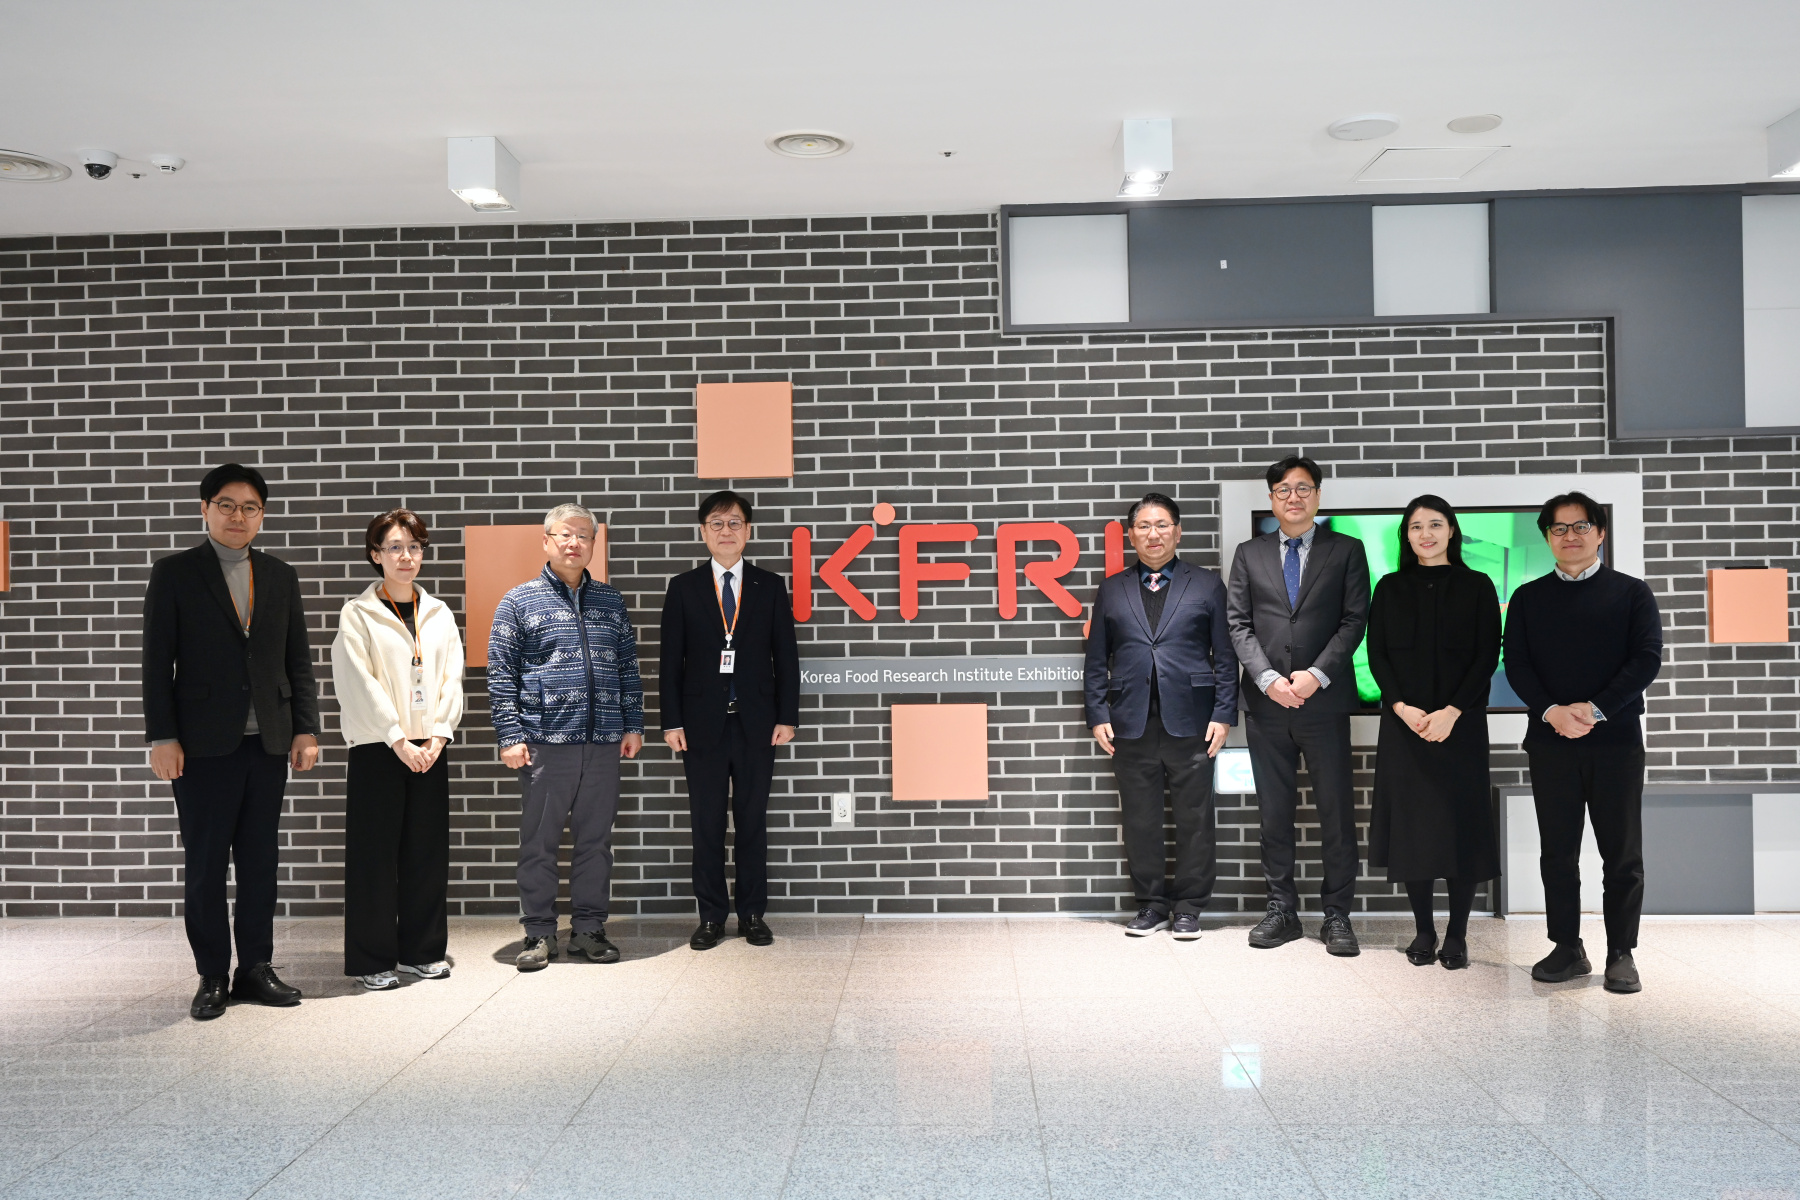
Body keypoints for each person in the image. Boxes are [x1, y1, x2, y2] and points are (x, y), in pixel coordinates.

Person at [142, 463, 320, 1021]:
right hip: (201, 747)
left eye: (249, 507)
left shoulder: (280, 575)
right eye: (226, 505)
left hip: (267, 744)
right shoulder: (174, 573)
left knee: (261, 862)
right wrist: (162, 736)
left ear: (261, 515)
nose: (238, 516)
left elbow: (298, 660)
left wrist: (305, 727)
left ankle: (256, 968)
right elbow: (155, 664)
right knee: (206, 865)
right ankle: (213, 974)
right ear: (205, 509)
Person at [1504, 491, 1662, 994]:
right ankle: (1567, 947)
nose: (1569, 536)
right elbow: (1517, 664)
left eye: (1580, 526)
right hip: (1550, 742)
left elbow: (1646, 659)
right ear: (1547, 537)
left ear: (1600, 532)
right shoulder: (1527, 597)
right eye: (1558, 528)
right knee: (1557, 852)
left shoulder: (1632, 593)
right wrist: (1552, 711)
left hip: (1615, 742)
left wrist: (1595, 710)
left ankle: (1621, 952)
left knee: (1622, 853)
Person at [488, 503, 644, 971]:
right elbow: (501, 674)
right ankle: (539, 933)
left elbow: (627, 667)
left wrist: (632, 724)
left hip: (604, 742)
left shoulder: (611, 602)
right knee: (539, 842)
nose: (574, 543)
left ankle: (589, 930)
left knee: (596, 842)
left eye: (584, 536)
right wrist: (510, 734)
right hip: (544, 742)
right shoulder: (518, 601)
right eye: (565, 535)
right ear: (547, 541)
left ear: (594, 544)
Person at [1227, 455, 1371, 956]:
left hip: (1324, 703)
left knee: (1336, 812)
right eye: (1284, 489)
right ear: (1271, 498)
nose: (1294, 497)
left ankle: (1338, 915)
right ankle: (1281, 910)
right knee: (1274, 814)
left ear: (1317, 494)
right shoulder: (1249, 553)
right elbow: (1238, 623)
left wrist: (1315, 675)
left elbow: (1355, 620)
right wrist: (1268, 679)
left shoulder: (1346, 549)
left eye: (1303, 488)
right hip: (1267, 705)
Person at [1085, 493, 1238, 939]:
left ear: (1178, 531)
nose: (1154, 534)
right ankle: (1151, 904)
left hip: (1193, 721)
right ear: (1131, 535)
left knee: (1195, 819)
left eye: (1162, 525)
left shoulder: (1207, 585)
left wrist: (1224, 714)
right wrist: (1097, 713)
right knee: (1140, 819)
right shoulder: (1112, 588)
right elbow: (1096, 659)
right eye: (1144, 526)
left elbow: (1226, 656)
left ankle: (1189, 907)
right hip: (1130, 722)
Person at [1366, 496, 1502, 971]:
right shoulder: (1389, 587)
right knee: (1414, 831)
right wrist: (1401, 708)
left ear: (1451, 531)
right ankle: (1423, 930)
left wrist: (1452, 712)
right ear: (1406, 535)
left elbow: (1486, 655)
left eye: (1435, 524)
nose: (1425, 534)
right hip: (1405, 727)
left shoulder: (1477, 585)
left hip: (1461, 727)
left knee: (1461, 828)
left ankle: (1457, 934)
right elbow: (1377, 653)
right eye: (1416, 526)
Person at [330, 510, 465, 991]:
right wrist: (396, 737)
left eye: (414, 547)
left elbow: (451, 677)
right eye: (394, 547)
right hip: (379, 747)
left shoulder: (439, 613)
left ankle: (421, 951)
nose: (406, 556)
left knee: (426, 854)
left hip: (430, 747)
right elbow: (357, 682)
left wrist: (439, 735)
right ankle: (372, 958)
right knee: (374, 857)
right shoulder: (357, 613)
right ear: (376, 555)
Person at [660, 490, 800, 951]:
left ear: (748, 531)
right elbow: (670, 662)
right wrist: (671, 722)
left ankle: (753, 914)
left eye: (735, 523)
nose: (726, 531)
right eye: (717, 523)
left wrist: (788, 716)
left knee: (752, 821)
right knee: (706, 824)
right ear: (703, 532)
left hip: (758, 724)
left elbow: (787, 657)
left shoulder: (769, 585)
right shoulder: (683, 588)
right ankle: (711, 917)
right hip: (701, 728)